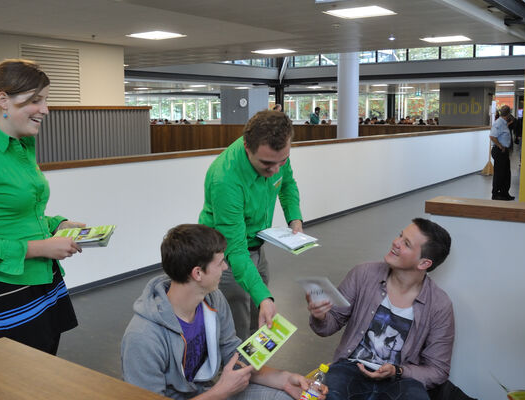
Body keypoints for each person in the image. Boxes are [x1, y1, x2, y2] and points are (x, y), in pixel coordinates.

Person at [0, 59, 84, 355]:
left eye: (45, 100)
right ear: (3, 100)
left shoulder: (21, 146)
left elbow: (20, 215)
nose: (45, 110)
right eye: (35, 100)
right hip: (6, 293)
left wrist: (58, 225)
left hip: (44, 282)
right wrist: (40, 248)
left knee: (46, 377)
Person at [121, 224, 325, 400]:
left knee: (285, 395)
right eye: (220, 263)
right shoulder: (142, 337)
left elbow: (234, 356)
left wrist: (283, 379)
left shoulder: (213, 299)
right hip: (212, 394)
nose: (226, 267)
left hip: (210, 392)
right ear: (198, 273)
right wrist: (219, 392)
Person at [306, 218, 454, 400]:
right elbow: (330, 324)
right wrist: (320, 316)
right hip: (351, 367)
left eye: (406, 243)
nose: (396, 242)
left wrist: (397, 371)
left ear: (423, 263)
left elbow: (438, 370)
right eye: (400, 235)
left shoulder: (439, 305)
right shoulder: (363, 274)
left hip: (401, 379)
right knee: (327, 395)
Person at [199, 110, 303, 337]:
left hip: (257, 245)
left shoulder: (276, 153)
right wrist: (264, 297)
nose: (275, 169)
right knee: (236, 331)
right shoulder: (225, 179)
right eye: (267, 164)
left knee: (261, 320)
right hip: (224, 257)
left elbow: (287, 184)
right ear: (247, 146)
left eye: (282, 161)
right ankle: (235, 371)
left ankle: (255, 371)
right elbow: (235, 250)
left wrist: (294, 217)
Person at [490, 105, 514, 200]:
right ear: (508, 114)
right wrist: (500, 146)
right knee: (499, 174)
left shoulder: (504, 123)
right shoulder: (499, 123)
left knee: (506, 173)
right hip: (499, 151)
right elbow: (492, 136)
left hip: (504, 151)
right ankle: (495, 194)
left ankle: (504, 193)